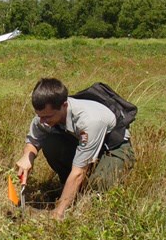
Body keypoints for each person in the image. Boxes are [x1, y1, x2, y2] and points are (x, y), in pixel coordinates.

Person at [16, 78, 135, 220]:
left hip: (114, 149)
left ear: (64, 105)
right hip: (82, 145)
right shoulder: (45, 115)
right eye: (40, 116)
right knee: (50, 143)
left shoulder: (89, 121)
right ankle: (69, 189)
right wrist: (27, 157)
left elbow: (79, 172)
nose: (42, 121)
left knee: (96, 189)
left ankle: (74, 196)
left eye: (47, 117)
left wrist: (58, 213)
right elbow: (34, 141)